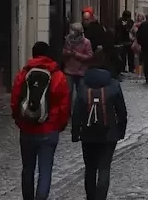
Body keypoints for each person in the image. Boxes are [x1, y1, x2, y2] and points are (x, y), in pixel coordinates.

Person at [11, 41, 71, 200]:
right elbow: (64, 104)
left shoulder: (23, 74)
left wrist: (20, 120)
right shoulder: (58, 75)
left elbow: (15, 100)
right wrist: (60, 124)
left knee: (27, 169)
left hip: (27, 128)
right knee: (45, 171)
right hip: (49, 129)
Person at [71, 51, 128, 200]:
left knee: (90, 168)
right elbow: (121, 111)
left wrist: (75, 132)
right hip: (109, 133)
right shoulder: (114, 84)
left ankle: (90, 197)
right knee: (104, 168)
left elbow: (77, 111)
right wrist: (121, 130)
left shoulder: (83, 85)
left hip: (88, 133)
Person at [62, 22, 94, 100]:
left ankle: (79, 111)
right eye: (71, 29)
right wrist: (67, 53)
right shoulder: (67, 40)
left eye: (73, 30)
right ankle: (68, 110)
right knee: (68, 93)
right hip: (69, 70)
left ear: (78, 32)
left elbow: (90, 56)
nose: (71, 32)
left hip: (81, 71)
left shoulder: (86, 42)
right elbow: (63, 51)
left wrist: (76, 55)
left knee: (81, 94)